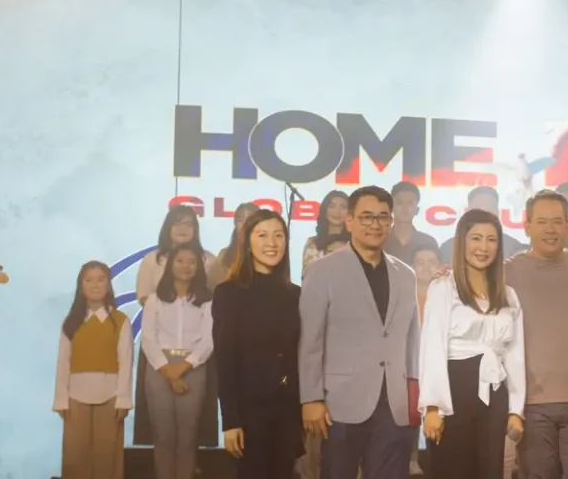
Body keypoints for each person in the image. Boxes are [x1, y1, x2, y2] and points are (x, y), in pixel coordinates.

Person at [299, 186, 420, 479]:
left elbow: (412, 340)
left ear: (390, 222)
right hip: (340, 403)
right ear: (350, 221)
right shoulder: (322, 270)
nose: (375, 224)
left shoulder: (406, 275)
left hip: (394, 405)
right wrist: (311, 398)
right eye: (367, 217)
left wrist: (416, 397)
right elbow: (310, 341)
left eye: (382, 217)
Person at [418, 210, 526, 479]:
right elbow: (433, 347)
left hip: (494, 392)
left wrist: (516, 410)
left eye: (491, 239)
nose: (483, 247)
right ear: (462, 242)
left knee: (490, 470)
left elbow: (515, 355)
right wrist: (433, 407)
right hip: (454, 390)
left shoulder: (508, 295)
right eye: (476, 238)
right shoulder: (443, 287)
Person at [508, 190, 568, 479]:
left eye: (557, 222)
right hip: (530, 407)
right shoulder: (505, 273)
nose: (550, 229)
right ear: (527, 226)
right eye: (542, 222)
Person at [215, 210, 304, 479]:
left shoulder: (296, 294)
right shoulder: (229, 293)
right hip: (249, 412)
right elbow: (225, 360)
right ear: (247, 243)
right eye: (262, 235)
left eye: (279, 235)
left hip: (289, 410)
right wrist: (230, 421)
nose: (272, 243)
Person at [140, 245, 215, 479]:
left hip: (193, 368)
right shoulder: (154, 300)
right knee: (163, 435)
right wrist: (168, 371)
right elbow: (148, 339)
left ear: (199, 267)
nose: (186, 266)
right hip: (159, 367)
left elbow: (209, 340)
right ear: (170, 264)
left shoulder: (207, 301)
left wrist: (184, 366)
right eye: (180, 260)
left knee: (188, 436)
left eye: (192, 261)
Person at [54, 262, 133, 479]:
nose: (95, 285)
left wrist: (123, 399)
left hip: (110, 396)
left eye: (101, 279)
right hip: (75, 397)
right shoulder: (71, 322)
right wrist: (61, 399)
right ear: (80, 286)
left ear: (108, 284)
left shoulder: (120, 321)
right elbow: (63, 362)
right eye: (89, 280)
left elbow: (126, 362)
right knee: (75, 455)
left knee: (107, 456)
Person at [138, 204, 225, 303]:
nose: (183, 229)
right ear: (168, 228)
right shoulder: (152, 259)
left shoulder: (209, 260)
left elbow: (218, 296)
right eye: (177, 224)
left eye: (188, 225)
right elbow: (143, 296)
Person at [386, 182, 441, 268]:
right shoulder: (380, 241)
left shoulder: (428, 242)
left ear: (417, 210)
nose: (405, 208)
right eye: (399, 203)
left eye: (410, 203)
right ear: (391, 208)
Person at [303, 191, 351, 266]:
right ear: (324, 210)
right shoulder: (312, 243)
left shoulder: (356, 244)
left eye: (343, 207)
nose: (337, 211)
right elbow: (307, 271)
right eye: (332, 206)